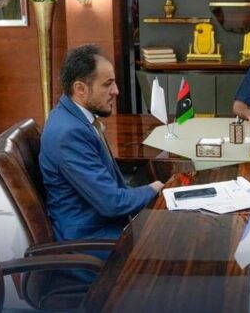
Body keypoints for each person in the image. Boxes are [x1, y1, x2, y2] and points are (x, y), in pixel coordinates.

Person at [40, 44, 164, 251]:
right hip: (92, 240)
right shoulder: (68, 133)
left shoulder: (73, 117)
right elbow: (112, 203)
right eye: (108, 84)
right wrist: (153, 189)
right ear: (80, 89)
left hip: (105, 224)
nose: (116, 90)